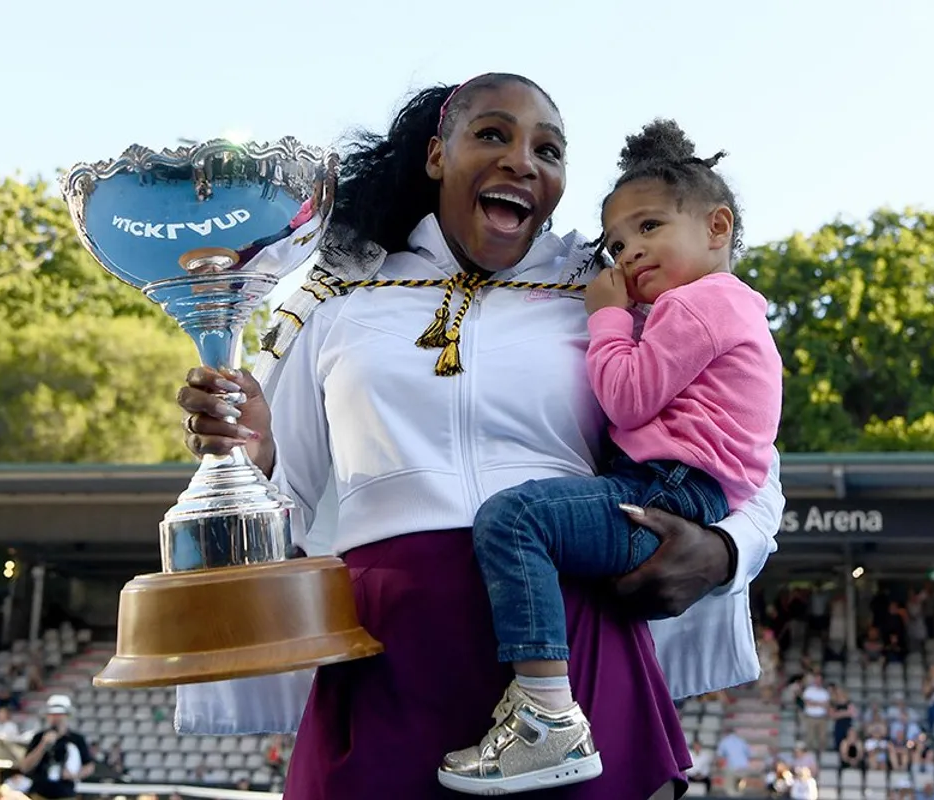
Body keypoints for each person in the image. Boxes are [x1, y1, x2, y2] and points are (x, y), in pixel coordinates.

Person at [175, 72, 783, 799]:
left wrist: (722, 550)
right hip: (383, 650)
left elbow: (744, 445)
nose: (523, 161)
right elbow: (287, 492)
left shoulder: (611, 291)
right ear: (436, 155)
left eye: (549, 150)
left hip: (572, 646)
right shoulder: (337, 297)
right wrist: (250, 452)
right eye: (492, 134)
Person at [442, 118, 781, 793]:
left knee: (514, 522)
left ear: (717, 228)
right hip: (683, 487)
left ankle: (545, 718)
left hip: (667, 489)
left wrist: (606, 316)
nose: (628, 255)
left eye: (650, 228)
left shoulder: (696, 306)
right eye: (618, 242)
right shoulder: (727, 306)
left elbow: (626, 398)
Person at [18, 695, 93, 800]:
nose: (55, 718)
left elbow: (89, 765)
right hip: (39, 793)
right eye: (52, 714)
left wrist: (74, 775)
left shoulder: (77, 739)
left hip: (65, 794)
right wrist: (43, 745)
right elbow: (25, 767)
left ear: (67, 715)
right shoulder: (39, 737)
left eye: (59, 714)